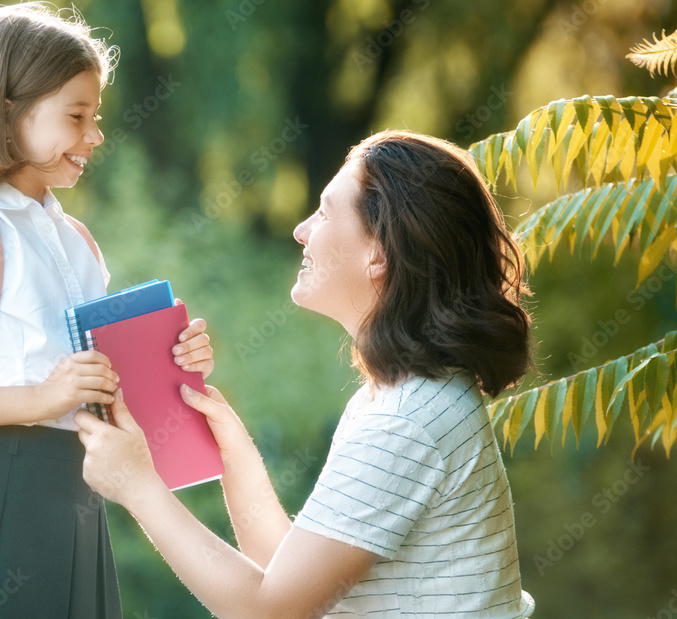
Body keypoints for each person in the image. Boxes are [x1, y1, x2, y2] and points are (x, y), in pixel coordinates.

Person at [76, 130, 537, 618]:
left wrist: (137, 487)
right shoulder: (399, 396)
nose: (301, 229)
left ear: (379, 252)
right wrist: (234, 453)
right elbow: (291, 580)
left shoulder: (405, 421)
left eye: (324, 211)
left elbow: (269, 612)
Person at [0, 4, 215, 617]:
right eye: (77, 116)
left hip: (76, 487)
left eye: (97, 117)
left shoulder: (79, 243)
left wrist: (174, 365)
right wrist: (41, 398)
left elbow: (101, 395)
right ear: (9, 111)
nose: (95, 135)